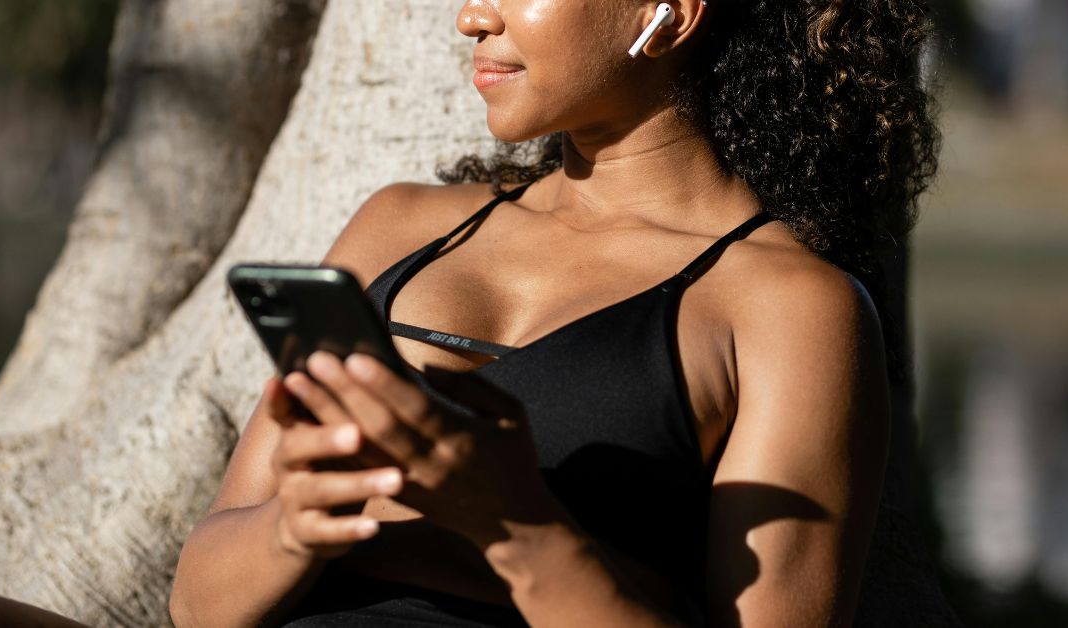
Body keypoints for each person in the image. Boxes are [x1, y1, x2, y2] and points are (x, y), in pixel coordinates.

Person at [168, 0, 940, 626]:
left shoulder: (790, 309)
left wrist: (517, 528)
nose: (471, 17)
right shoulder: (399, 227)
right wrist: (295, 528)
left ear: (668, 15)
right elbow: (198, 603)